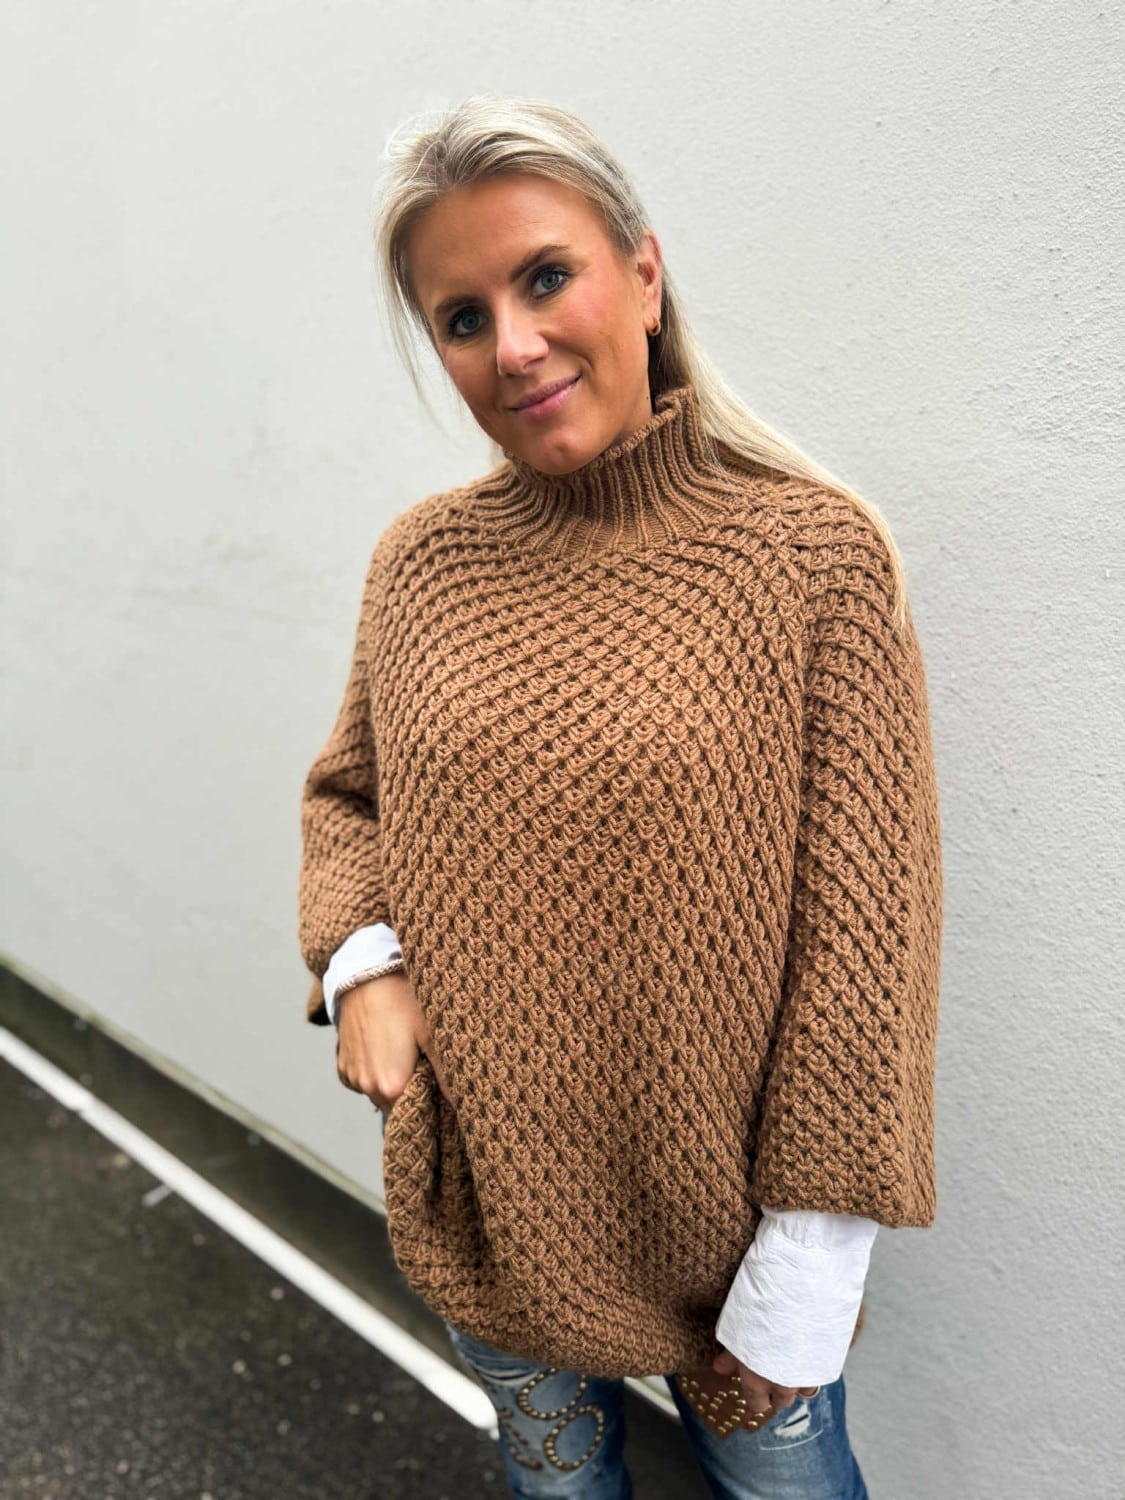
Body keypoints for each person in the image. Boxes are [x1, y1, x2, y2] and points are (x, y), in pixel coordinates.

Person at [297, 93, 942, 1500]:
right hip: (487, 1211)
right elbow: (351, 798)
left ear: (643, 274)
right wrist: (363, 965)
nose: (514, 346)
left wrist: (804, 1271)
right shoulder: (422, 565)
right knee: (558, 1490)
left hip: (734, 1260)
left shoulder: (807, 560)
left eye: (546, 278)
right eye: (462, 318)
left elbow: (865, 944)